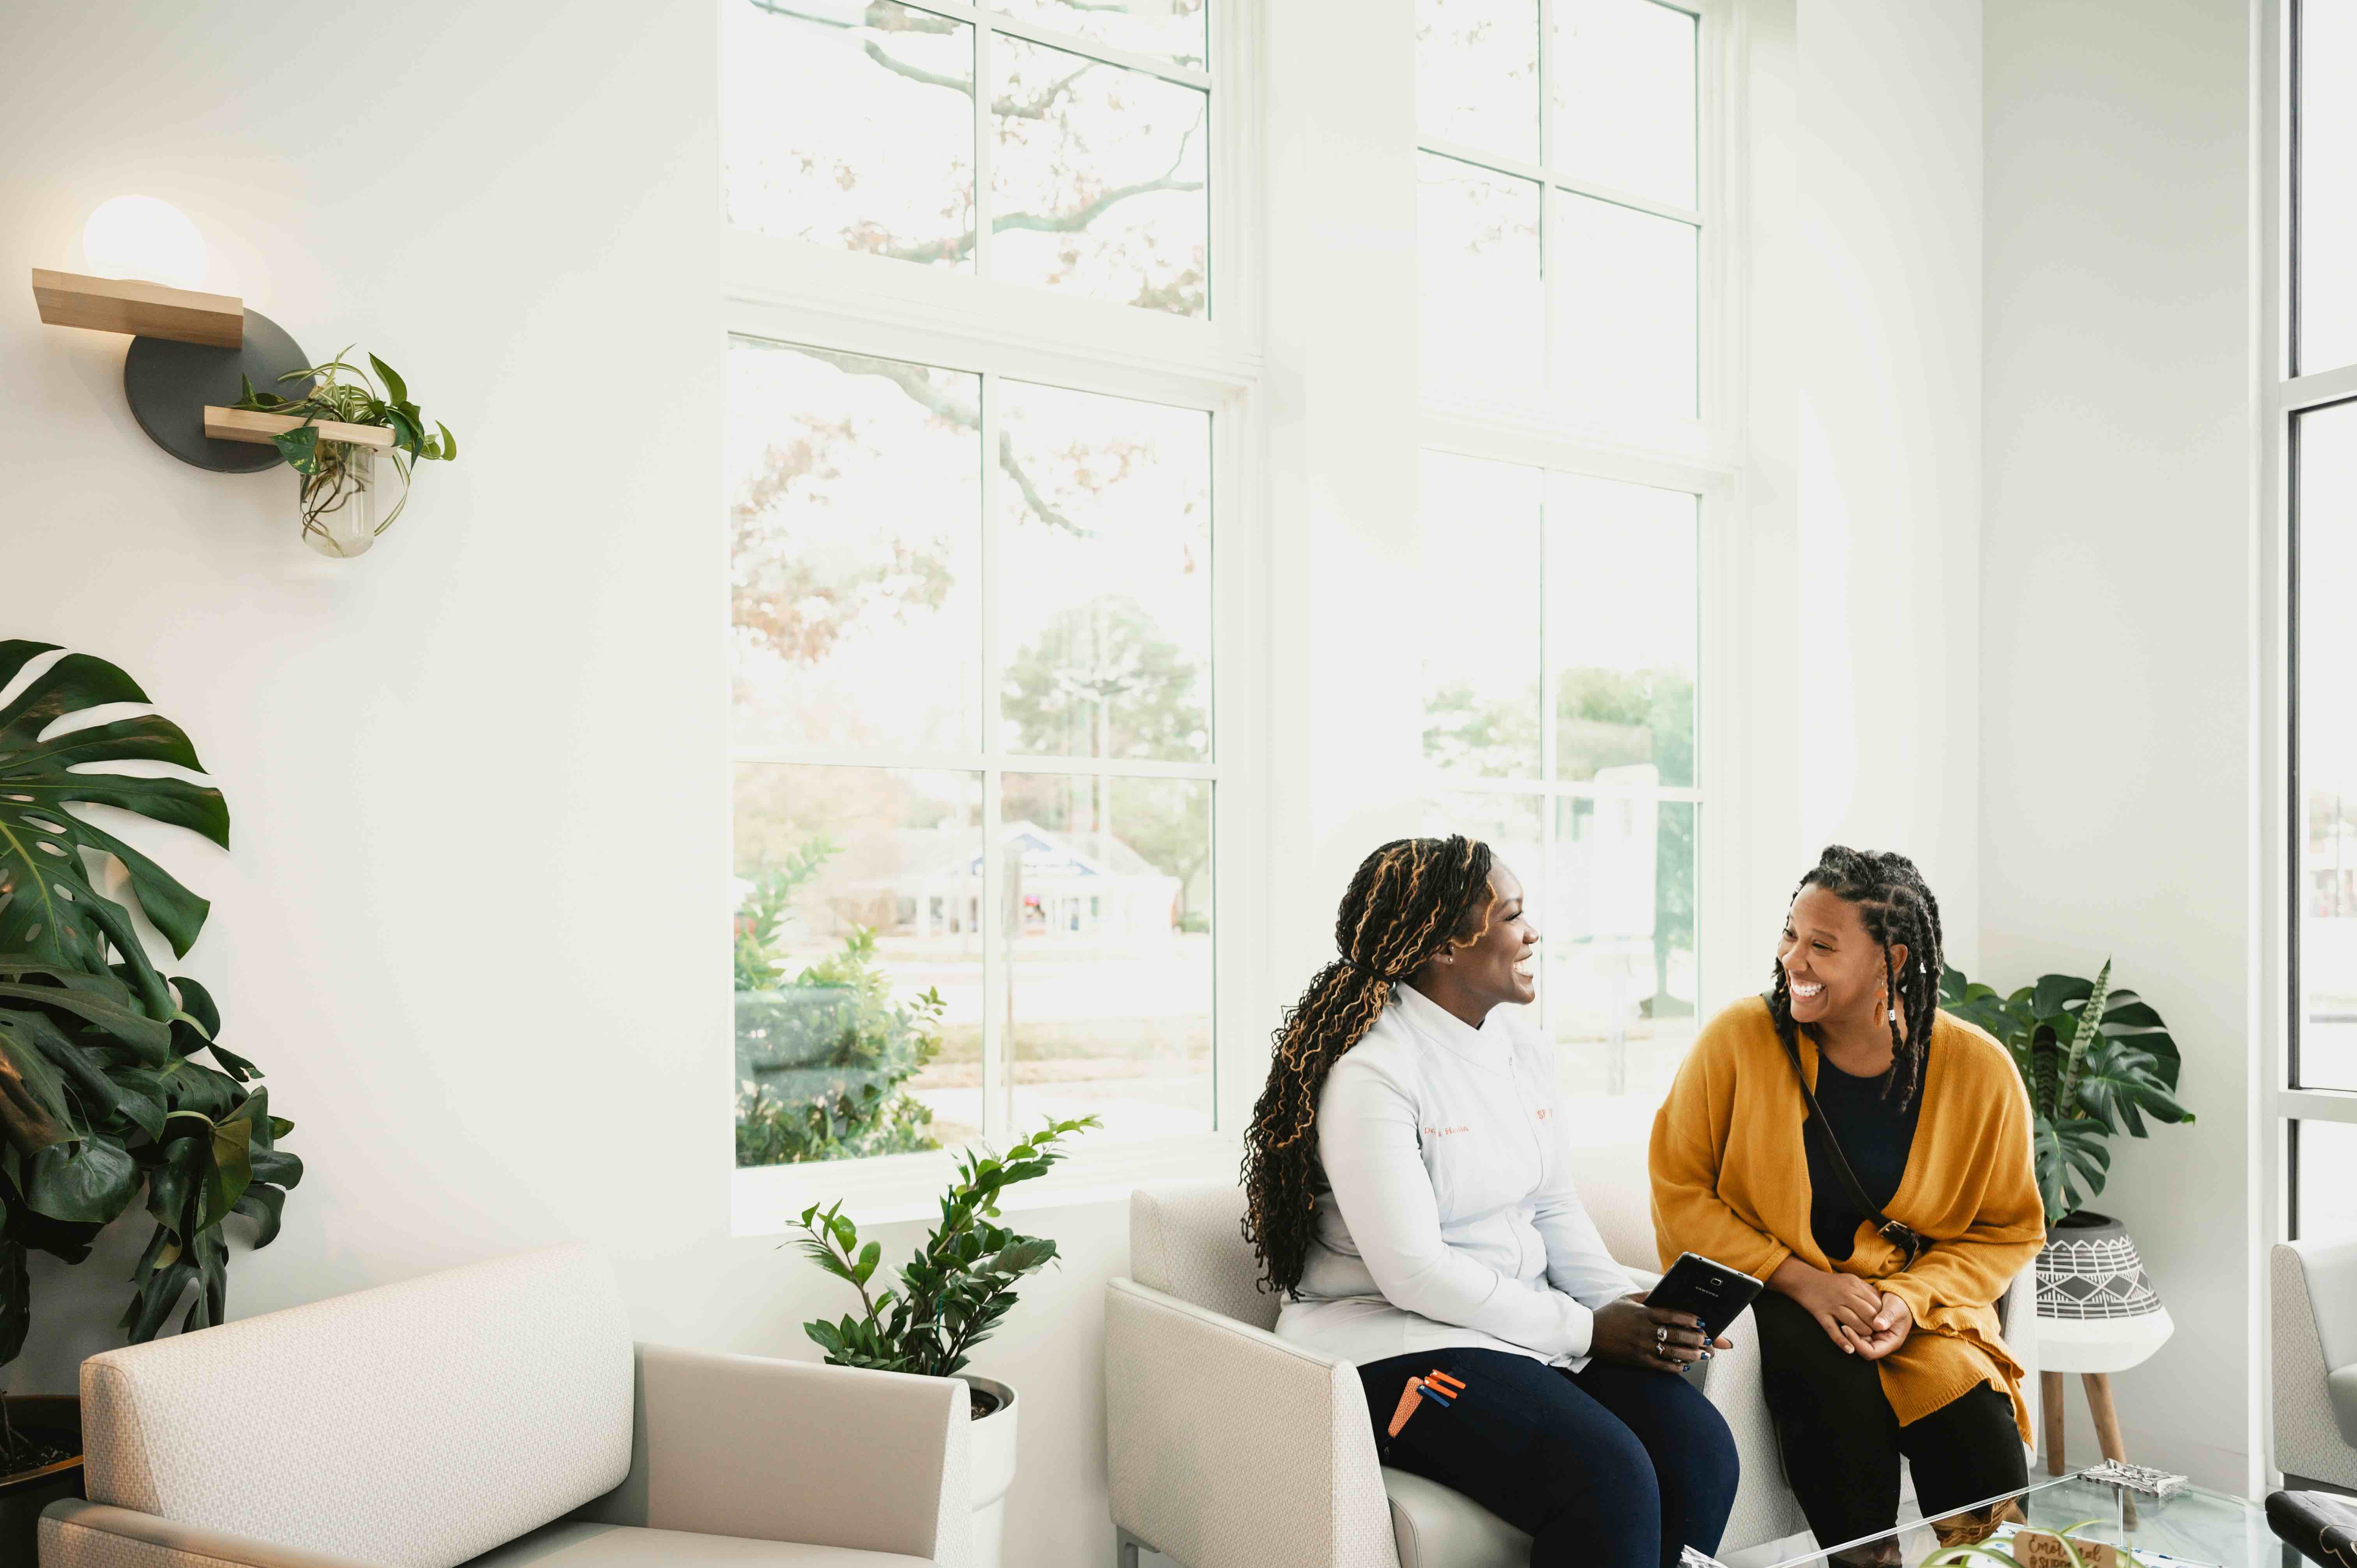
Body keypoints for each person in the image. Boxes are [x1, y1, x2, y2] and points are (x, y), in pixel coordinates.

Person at [1242, 835, 1739, 1568]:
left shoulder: (1521, 1048)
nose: (1532, 933)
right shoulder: (1372, 1071)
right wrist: (1584, 1329)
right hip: (1393, 1345)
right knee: (1609, 1477)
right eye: (1511, 917)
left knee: (1700, 1451)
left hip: (1516, 1331)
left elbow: (1551, 1204)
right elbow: (1415, 1275)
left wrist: (1629, 1312)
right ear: (1444, 946)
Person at [1650, 847, 2044, 1562]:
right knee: (1831, 1384)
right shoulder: (1738, 1040)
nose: (1793, 959)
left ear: (1893, 961)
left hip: (1915, 1304)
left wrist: (1912, 1301)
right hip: (1782, 1290)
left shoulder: (1979, 1070)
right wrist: (1806, 1281)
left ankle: (1983, 1558)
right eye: (1791, 935)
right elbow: (1681, 1195)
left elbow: (2008, 1230)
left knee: (1973, 1413)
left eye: (1822, 946)